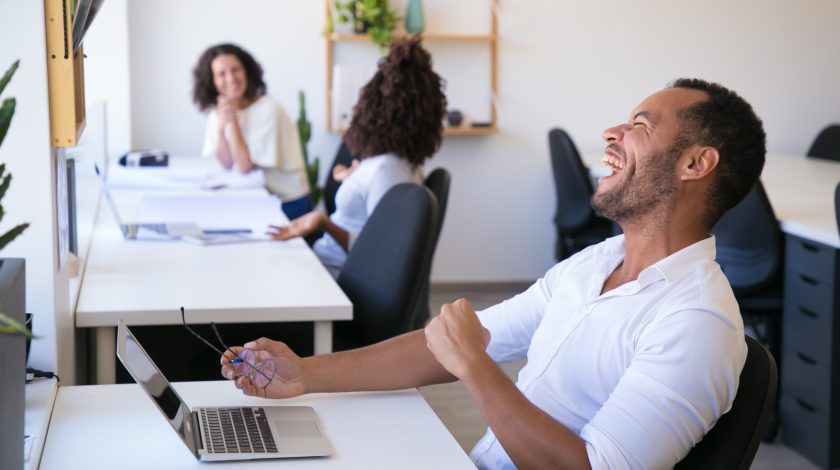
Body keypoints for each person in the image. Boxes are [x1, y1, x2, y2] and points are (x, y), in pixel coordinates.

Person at [221, 78, 767, 469]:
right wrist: (307, 375)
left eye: (639, 126)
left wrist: (476, 368)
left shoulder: (697, 323)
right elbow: (452, 344)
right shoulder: (597, 262)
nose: (612, 133)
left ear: (696, 164)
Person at [266, 37, 446, 278]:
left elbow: (379, 253)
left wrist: (322, 223)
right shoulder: (398, 163)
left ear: (373, 108)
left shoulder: (389, 170)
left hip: (335, 276)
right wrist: (355, 177)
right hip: (327, 266)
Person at [192, 43, 312, 219]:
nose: (231, 79)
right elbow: (226, 163)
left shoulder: (268, 109)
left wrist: (231, 121)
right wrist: (220, 131)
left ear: (247, 71)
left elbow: (244, 166)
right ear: (212, 81)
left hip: (288, 203)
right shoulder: (219, 109)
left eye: (235, 70)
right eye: (221, 74)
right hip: (256, 196)